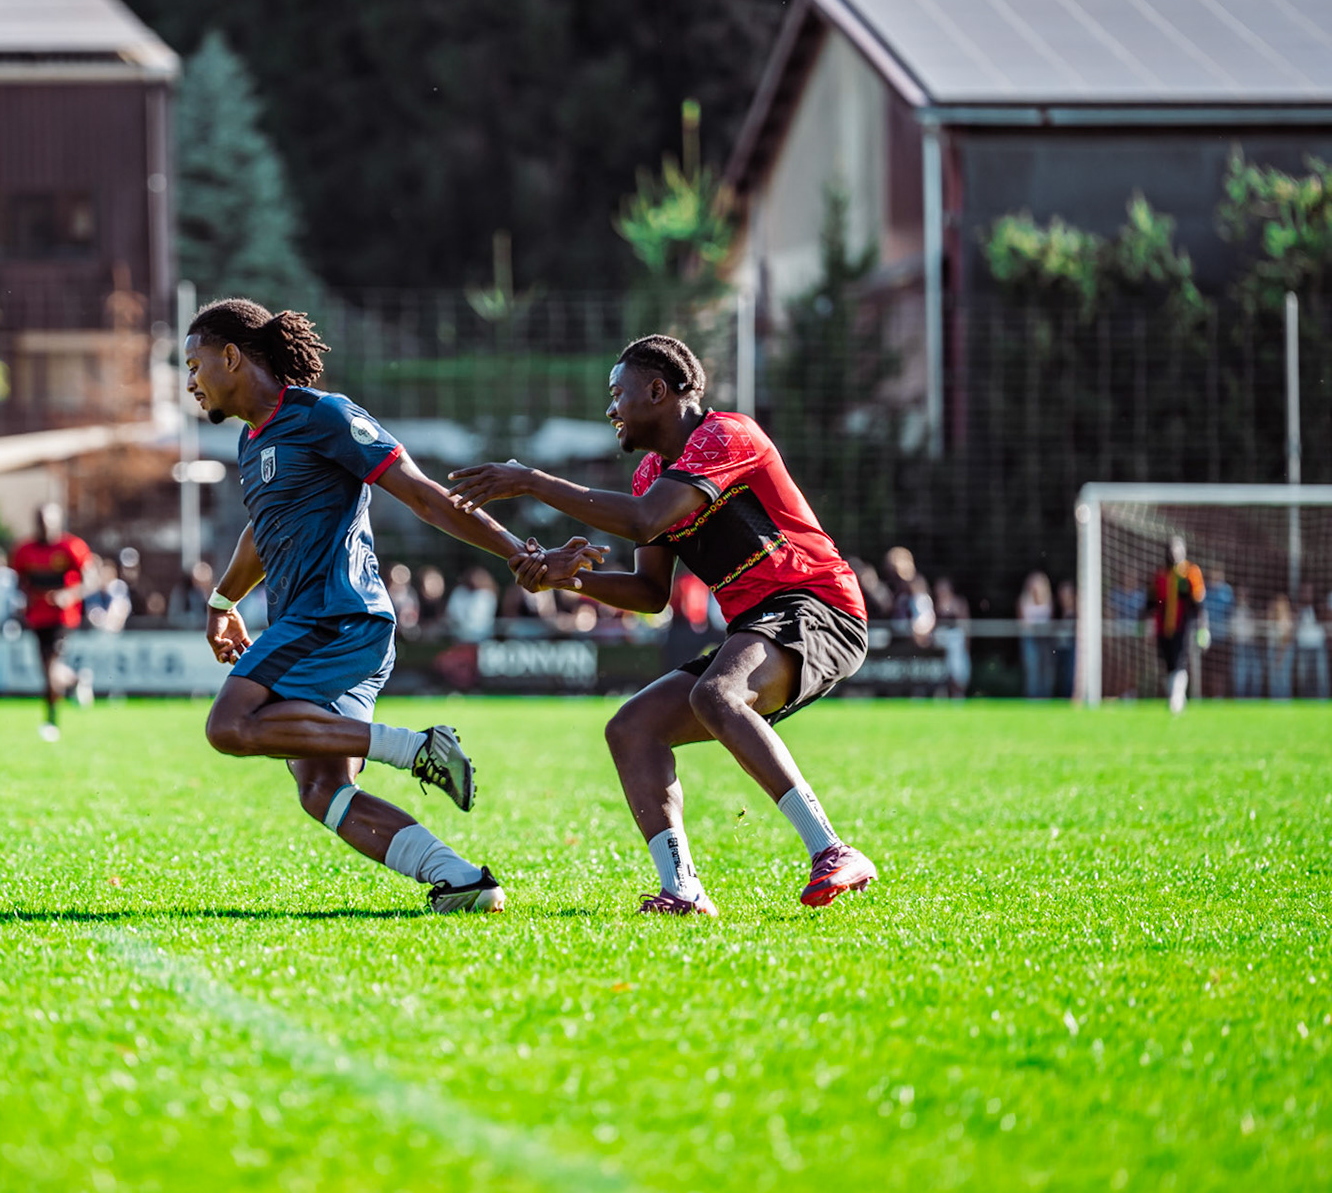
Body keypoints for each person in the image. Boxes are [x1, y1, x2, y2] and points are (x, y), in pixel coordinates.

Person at [184, 297, 599, 914]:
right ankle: (462, 880)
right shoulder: (252, 441)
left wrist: (520, 553)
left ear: (231, 356)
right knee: (322, 788)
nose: (190, 382)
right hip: (323, 625)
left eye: (193, 365)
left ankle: (416, 749)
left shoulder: (324, 415)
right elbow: (261, 532)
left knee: (230, 725)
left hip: (335, 618)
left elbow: (424, 496)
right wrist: (223, 600)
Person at [449, 333, 876, 917]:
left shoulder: (726, 434)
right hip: (762, 622)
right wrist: (563, 577)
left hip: (819, 606)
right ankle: (684, 890)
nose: (610, 409)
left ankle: (832, 851)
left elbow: (646, 520)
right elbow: (651, 593)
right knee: (632, 729)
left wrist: (531, 480)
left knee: (717, 694)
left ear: (657, 390)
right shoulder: (651, 471)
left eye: (617, 393)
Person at [13, 505, 98, 741]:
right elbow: (19, 582)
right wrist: (21, 601)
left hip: (63, 618)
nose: (44, 526)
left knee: (51, 667)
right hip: (36, 617)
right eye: (40, 521)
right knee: (48, 671)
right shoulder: (24, 550)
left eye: (48, 521)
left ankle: (51, 720)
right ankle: (75, 680)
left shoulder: (72, 547)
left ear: (58, 521)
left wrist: (70, 595)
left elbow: (91, 580)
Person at [1145, 538, 1205, 713]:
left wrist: (1203, 626)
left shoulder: (1190, 573)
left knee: (1180, 662)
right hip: (1163, 628)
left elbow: (1199, 602)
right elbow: (1150, 603)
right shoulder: (1160, 576)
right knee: (1167, 663)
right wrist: (1146, 625)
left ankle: (1176, 699)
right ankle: (1175, 696)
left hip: (1184, 627)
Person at [1017, 571, 1054, 700]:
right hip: (1030, 639)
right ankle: (1032, 696)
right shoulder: (1024, 601)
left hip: (1045, 640)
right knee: (1032, 669)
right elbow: (1022, 623)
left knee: (1046, 668)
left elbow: (1050, 620)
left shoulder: (1048, 600)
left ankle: (1045, 696)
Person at [932, 576, 971, 699]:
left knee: (957, 669)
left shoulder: (958, 603)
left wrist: (966, 643)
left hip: (956, 642)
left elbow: (964, 625)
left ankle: (958, 693)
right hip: (940, 644)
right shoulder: (935, 603)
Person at [444, 566, 499, 643]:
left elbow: (479, 619)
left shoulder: (486, 595)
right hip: (458, 636)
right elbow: (452, 613)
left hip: (482, 637)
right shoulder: (459, 591)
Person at [1296, 585, 1328, 700]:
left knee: (1321, 677)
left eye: (1309, 591)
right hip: (1303, 647)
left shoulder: (1319, 607)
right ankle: (1305, 700)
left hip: (1317, 646)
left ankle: (1322, 701)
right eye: (1305, 591)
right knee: (1304, 677)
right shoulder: (1298, 608)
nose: (1307, 594)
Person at [1265, 592, 1294, 702]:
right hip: (1273, 649)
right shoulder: (1271, 617)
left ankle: (1285, 700)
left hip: (1284, 651)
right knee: (1273, 679)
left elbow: (1287, 638)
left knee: (1283, 678)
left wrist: (1280, 654)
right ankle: (1274, 700)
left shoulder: (1286, 619)